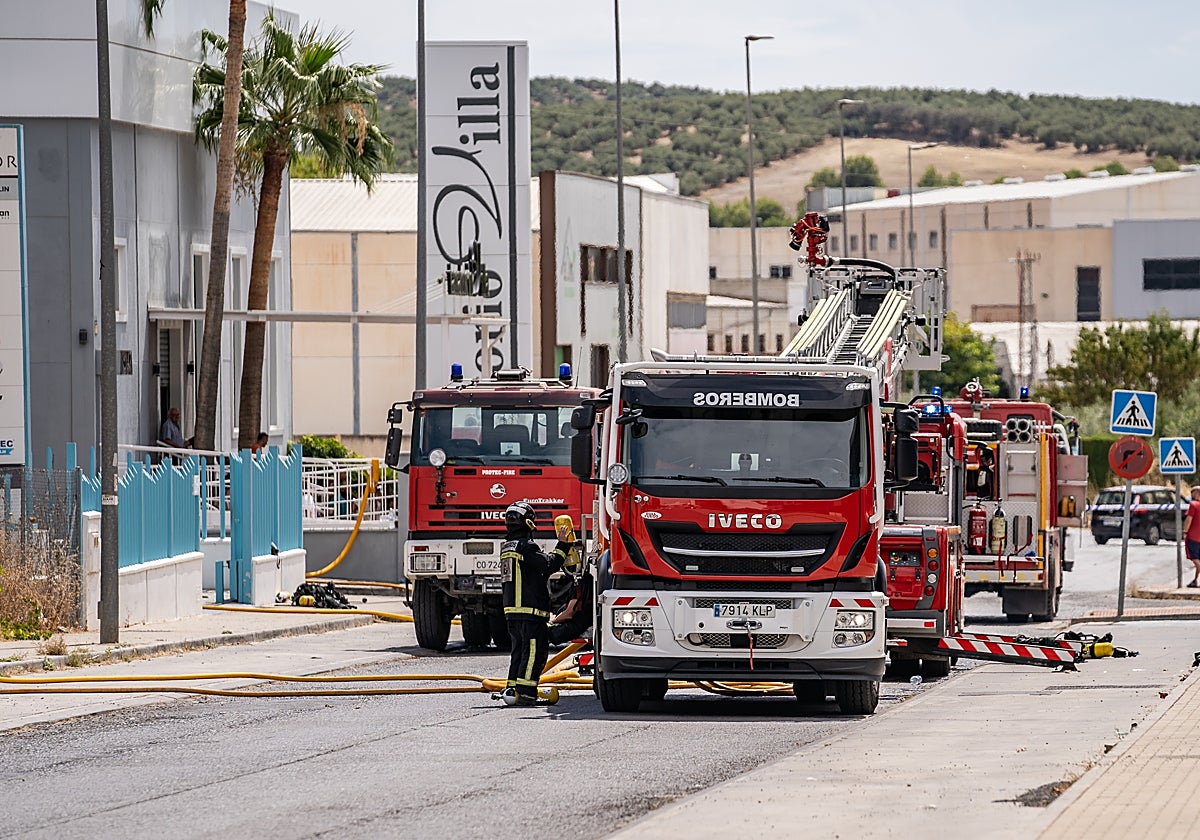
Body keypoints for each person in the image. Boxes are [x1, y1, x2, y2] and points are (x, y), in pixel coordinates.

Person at [497, 501, 572, 706]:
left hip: (512, 611)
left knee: (519, 651)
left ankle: (512, 688)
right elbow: (548, 565)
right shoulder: (526, 546)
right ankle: (527, 693)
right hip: (530, 611)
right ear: (528, 522)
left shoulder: (507, 547)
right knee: (534, 653)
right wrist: (563, 545)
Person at [1184, 486, 1200, 588]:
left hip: (1193, 537)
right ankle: (1195, 580)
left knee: (1195, 559)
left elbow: (1189, 519)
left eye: (1192, 492)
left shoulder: (1193, 505)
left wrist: (1185, 531)